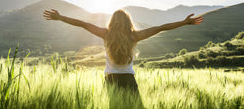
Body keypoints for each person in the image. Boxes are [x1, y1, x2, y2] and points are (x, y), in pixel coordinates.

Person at [43, 8, 203, 104]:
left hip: (110, 79)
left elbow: (83, 24)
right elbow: (160, 27)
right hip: (129, 79)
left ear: (112, 21)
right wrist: (183, 22)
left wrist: (61, 17)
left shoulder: (105, 34)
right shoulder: (135, 36)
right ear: (128, 22)